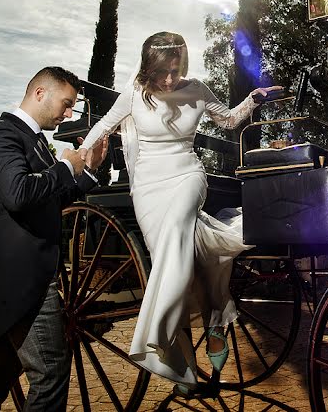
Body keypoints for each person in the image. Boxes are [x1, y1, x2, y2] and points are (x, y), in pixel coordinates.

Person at [78, 31, 282, 396]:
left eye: (175, 70)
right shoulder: (134, 94)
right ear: (148, 66)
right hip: (148, 189)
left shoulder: (198, 90)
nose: (170, 79)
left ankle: (154, 333)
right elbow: (103, 126)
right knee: (179, 265)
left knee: (176, 234)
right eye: (162, 71)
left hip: (187, 176)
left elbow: (229, 121)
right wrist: (75, 159)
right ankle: (185, 371)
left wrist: (253, 100)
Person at [0, 66, 109, 411]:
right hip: (22, 280)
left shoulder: (35, 144)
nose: (69, 113)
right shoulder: (1, 135)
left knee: (2, 369)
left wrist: (86, 171)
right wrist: (64, 168)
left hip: (26, 277)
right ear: (40, 93)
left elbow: (51, 202)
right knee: (50, 373)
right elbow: (17, 194)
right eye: (67, 103)